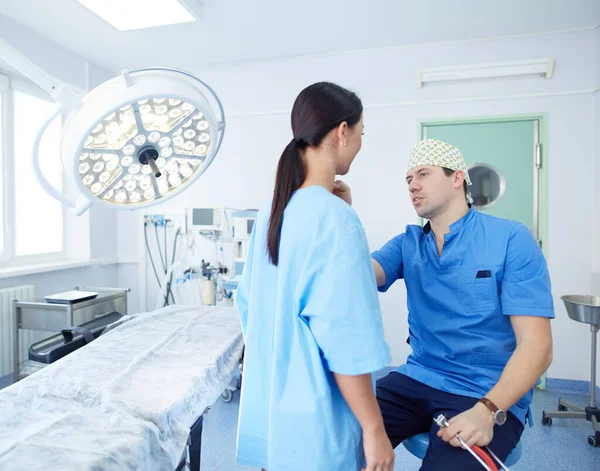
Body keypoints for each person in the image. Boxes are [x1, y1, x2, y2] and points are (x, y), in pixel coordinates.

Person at [366, 138, 554, 470]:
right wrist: (337, 219)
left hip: (486, 388)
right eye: (408, 179)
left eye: (423, 174)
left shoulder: (511, 238)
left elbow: (537, 346)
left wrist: (488, 410)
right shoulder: (408, 243)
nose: (413, 185)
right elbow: (363, 273)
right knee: (338, 436)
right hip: (418, 377)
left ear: (457, 178)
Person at [235, 82, 395, 471]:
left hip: (275, 417)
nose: (359, 143)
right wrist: (374, 429)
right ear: (342, 132)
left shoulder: (271, 213)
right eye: (360, 133)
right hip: (317, 426)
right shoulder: (336, 220)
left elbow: (250, 308)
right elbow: (345, 340)